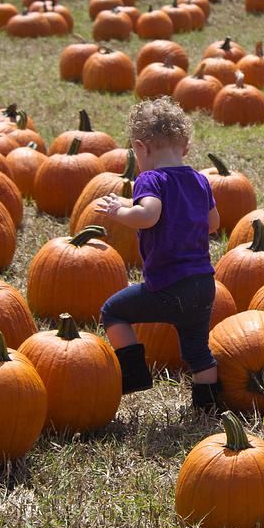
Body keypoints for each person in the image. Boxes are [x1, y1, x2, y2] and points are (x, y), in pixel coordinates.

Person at [96, 97, 223, 413]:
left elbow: (149, 215)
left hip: (168, 286)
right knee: (197, 351)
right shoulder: (199, 180)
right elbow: (214, 223)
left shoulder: (151, 179)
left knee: (113, 312)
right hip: (203, 285)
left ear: (141, 148)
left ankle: (135, 374)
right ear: (185, 148)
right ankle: (208, 407)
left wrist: (121, 210)